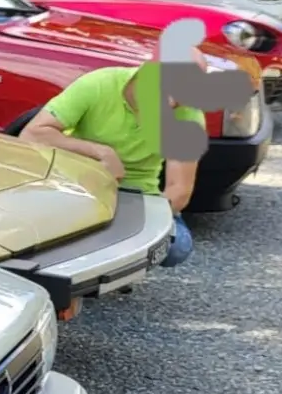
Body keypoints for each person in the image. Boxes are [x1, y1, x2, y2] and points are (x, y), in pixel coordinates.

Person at [17, 63, 202, 267]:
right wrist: (101, 152)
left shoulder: (189, 113)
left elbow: (179, 190)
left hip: (137, 196)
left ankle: (113, 266)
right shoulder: (98, 84)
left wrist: (136, 230)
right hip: (79, 184)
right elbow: (31, 134)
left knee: (177, 247)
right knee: (37, 234)